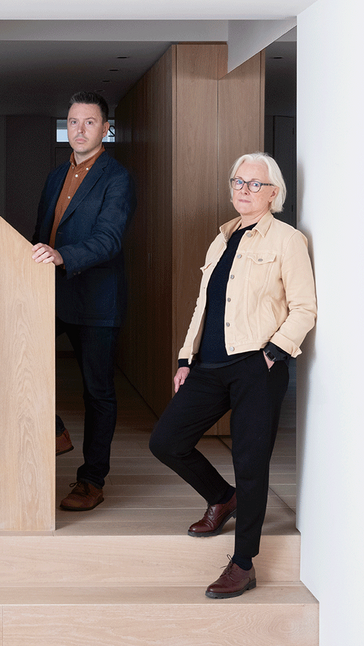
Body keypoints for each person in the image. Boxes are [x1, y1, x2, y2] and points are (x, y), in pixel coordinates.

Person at [149, 152, 317, 599]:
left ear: (274, 193)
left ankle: (243, 564)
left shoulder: (287, 240)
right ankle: (222, 498)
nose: (244, 189)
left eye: (254, 184)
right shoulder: (221, 238)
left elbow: (304, 308)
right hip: (209, 365)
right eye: (238, 182)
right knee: (166, 441)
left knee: (251, 463)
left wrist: (273, 354)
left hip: (255, 367)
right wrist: (186, 359)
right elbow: (203, 307)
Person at [31, 91, 135, 511]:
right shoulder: (56, 176)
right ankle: (55, 429)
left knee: (98, 393)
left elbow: (109, 239)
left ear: (105, 128)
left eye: (89, 122)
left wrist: (63, 255)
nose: (79, 129)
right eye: (73, 121)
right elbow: (40, 231)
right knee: (20, 359)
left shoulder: (117, 177)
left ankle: (91, 480)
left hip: (96, 301)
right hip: (51, 293)